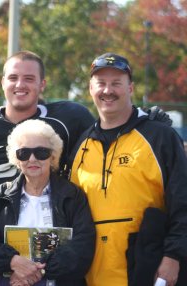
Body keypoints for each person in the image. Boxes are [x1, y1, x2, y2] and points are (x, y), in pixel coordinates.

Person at [69, 53, 187, 286]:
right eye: (101, 83)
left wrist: (174, 256)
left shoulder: (159, 136)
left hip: (148, 270)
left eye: (116, 83)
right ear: (91, 88)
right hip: (91, 274)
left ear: (130, 87)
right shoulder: (81, 145)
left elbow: (183, 201)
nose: (108, 90)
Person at [0, 50, 95, 206]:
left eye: (29, 79)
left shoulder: (68, 120)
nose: (20, 84)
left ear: (42, 84)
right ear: (3, 82)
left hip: (51, 223)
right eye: (13, 78)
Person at [0, 119, 95, 286]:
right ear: (16, 158)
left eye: (41, 152)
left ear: (53, 157)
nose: (32, 159)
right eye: (24, 153)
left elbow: (84, 244)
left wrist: (38, 271)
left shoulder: (73, 196)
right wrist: (13, 262)